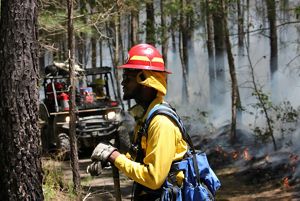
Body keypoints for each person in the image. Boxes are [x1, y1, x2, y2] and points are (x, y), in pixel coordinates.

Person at [87, 44, 188, 200]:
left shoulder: (161, 122)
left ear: (145, 79)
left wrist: (115, 157)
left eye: (127, 78)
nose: (122, 83)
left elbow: (154, 179)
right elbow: (139, 160)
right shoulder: (146, 116)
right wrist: (112, 158)